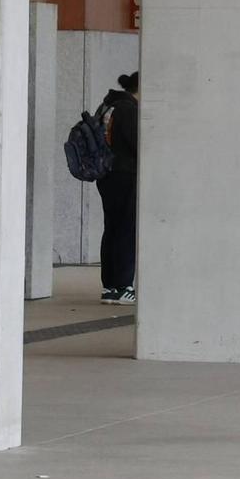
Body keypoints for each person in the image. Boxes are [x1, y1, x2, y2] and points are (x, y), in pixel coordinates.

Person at [96, 71, 140, 304]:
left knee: (112, 229)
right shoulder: (129, 110)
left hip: (106, 176)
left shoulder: (107, 105)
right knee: (127, 230)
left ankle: (110, 287)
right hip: (126, 175)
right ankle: (124, 286)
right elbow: (137, 144)